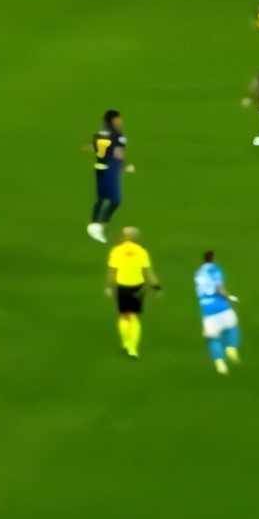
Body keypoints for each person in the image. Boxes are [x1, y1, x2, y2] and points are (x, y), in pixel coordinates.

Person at [106, 227, 161, 359]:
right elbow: (148, 272)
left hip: (122, 286)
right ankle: (133, 348)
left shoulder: (116, 251)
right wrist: (157, 287)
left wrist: (109, 286)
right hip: (137, 286)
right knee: (134, 317)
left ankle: (126, 342)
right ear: (136, 237)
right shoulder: (142, 252)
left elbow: (112, 271)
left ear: (123, 236)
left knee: (123, 316)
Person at [87, 110, 134, 244]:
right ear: (113, 121)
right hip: (111, 168)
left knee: (103, 197)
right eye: (118, 119)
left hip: (100, 167)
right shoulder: (117, 135)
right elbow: (118, 153)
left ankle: (96, 223)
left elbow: (98, 150)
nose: (120, 122)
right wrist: (124, 167)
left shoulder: (100, 134)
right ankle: (99, 225)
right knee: (115, 199)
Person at [194, 251, 241, 376]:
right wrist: (229, 298)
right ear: (213, 258)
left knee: (213, 338)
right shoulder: (215, 269)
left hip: (207, 309)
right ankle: (231, 348)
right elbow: (219, 287)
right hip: (221, 306)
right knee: (231, 328)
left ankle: (220, 364)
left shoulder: (198, 273)